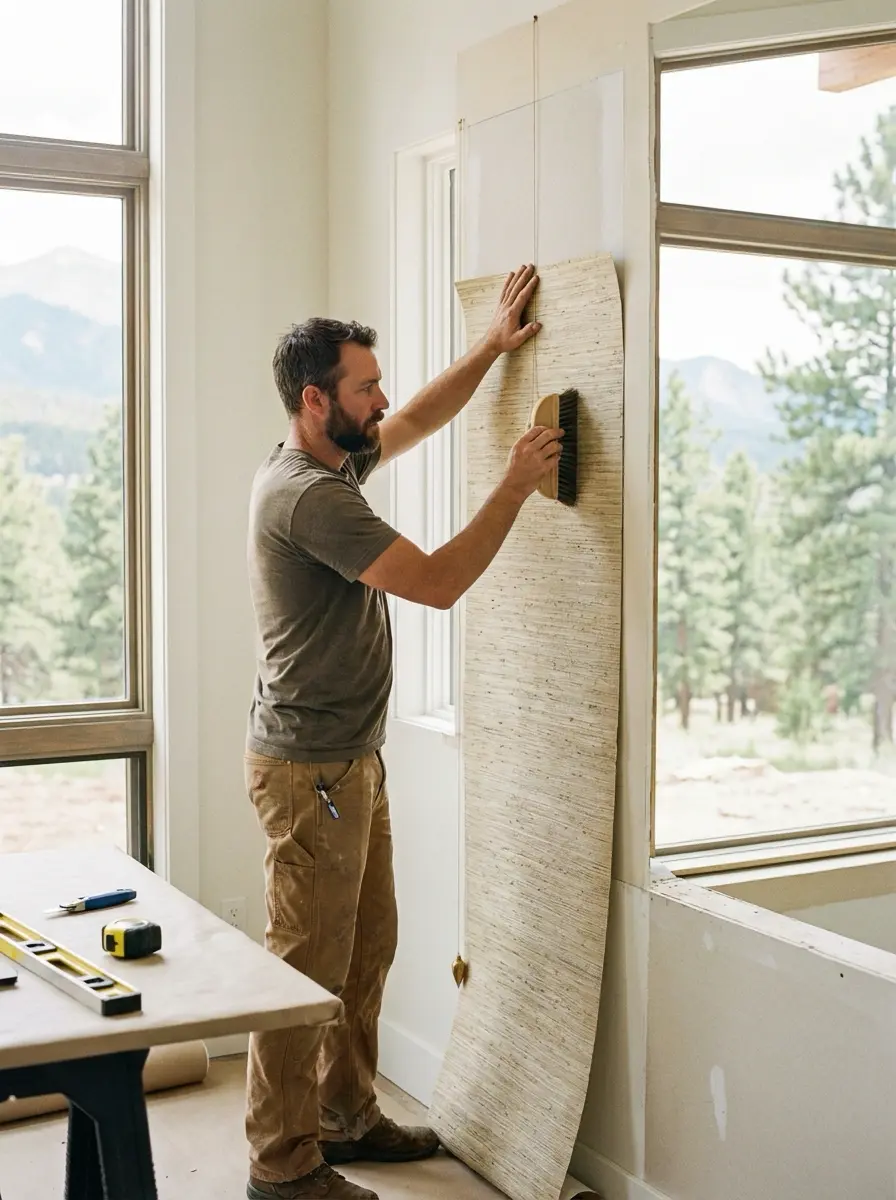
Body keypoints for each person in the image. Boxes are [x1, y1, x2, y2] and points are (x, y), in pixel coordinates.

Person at [244, 264, 563, 1200]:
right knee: (305, 967)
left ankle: (345, 1115)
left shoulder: (336, 456)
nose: (379, 400)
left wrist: (489, 351)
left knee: (365, 948)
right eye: (363, 386)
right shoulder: (310, 496)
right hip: (310, 772)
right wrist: (514, 486)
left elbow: (416, 419)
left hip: (350, 758)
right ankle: (281, 1165)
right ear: (315, 400)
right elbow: (435, 582)